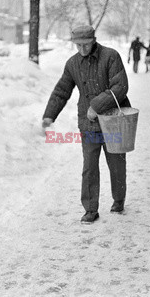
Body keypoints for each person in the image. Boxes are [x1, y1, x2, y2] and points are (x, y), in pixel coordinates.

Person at [42, 25, 130, 224]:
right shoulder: (72, 64)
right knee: (89, 166)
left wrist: (97, 105)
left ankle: (118, 199)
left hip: (114, 121)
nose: (82, 49)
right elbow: (62, 90)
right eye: (78, 45)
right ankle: (90, 209)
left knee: (116, 164)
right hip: (88, 124)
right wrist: (49, 115)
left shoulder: (110, 56)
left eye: (86, 44)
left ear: (94, 40)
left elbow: (121, 86)